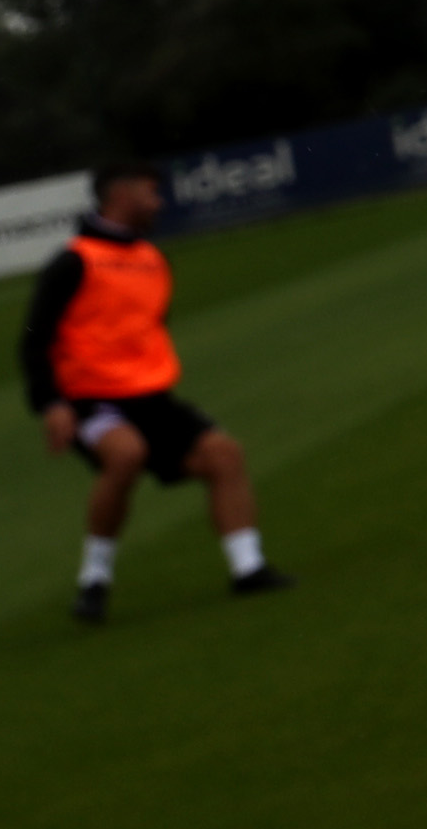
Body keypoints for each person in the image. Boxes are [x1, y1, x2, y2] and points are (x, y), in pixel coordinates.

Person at [19, 161, 291, 623]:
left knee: (225, 456)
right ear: (119, 196)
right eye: (150, 193)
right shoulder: (74, 260)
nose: (159, 203)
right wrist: (51, 404)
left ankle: (249, 569)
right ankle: (94, 583)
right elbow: (34, 337)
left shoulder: (151, 259)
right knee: (125, 455)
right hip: (92, 399)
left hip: (152, 397)